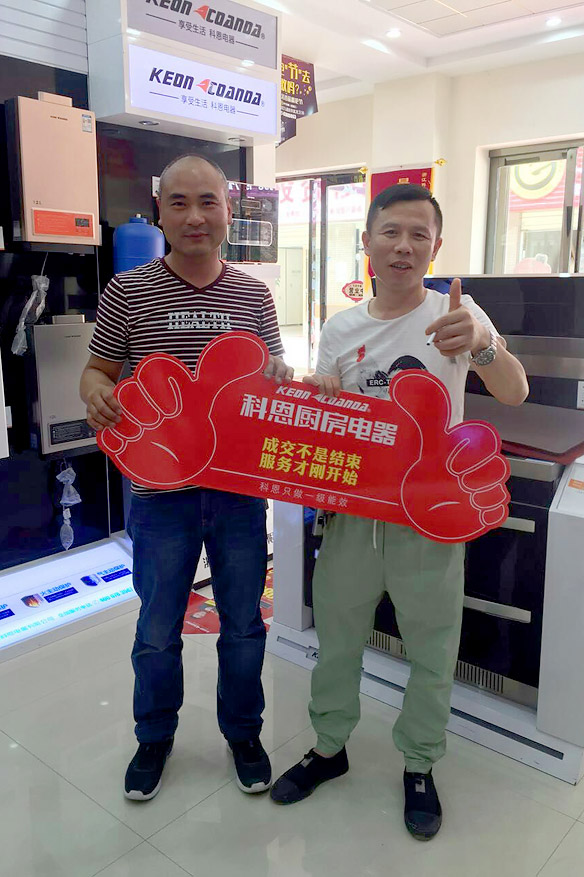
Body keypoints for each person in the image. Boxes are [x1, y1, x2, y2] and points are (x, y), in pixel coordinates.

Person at [270, 184, 528, 840]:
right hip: (353, 515)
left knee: (433, 651)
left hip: (431, 516)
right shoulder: (341, 328)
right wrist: (319, 394)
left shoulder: (457, 313)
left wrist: (484, 346)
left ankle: (419, 763)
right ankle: (330, 747)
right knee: (337, 642)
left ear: (435, 247)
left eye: (419, 234)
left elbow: (515, 391)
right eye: (391, 232)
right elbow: (326, 422)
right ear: (368, 243)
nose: (404, 246)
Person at [80, 154, 292, 802]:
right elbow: (97, 371)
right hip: (159, 495)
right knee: (157, 626)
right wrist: (96, 393)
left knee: (244, 623)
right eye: (179, 202)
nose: (195, 216)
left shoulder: (254, 295)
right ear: (160, 212)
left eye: (208, 202)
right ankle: (153, 737)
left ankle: (244, 733)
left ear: (228, 210)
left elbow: (273, 375)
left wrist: (285, 379)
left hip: (238, 492)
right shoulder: (127, 290)